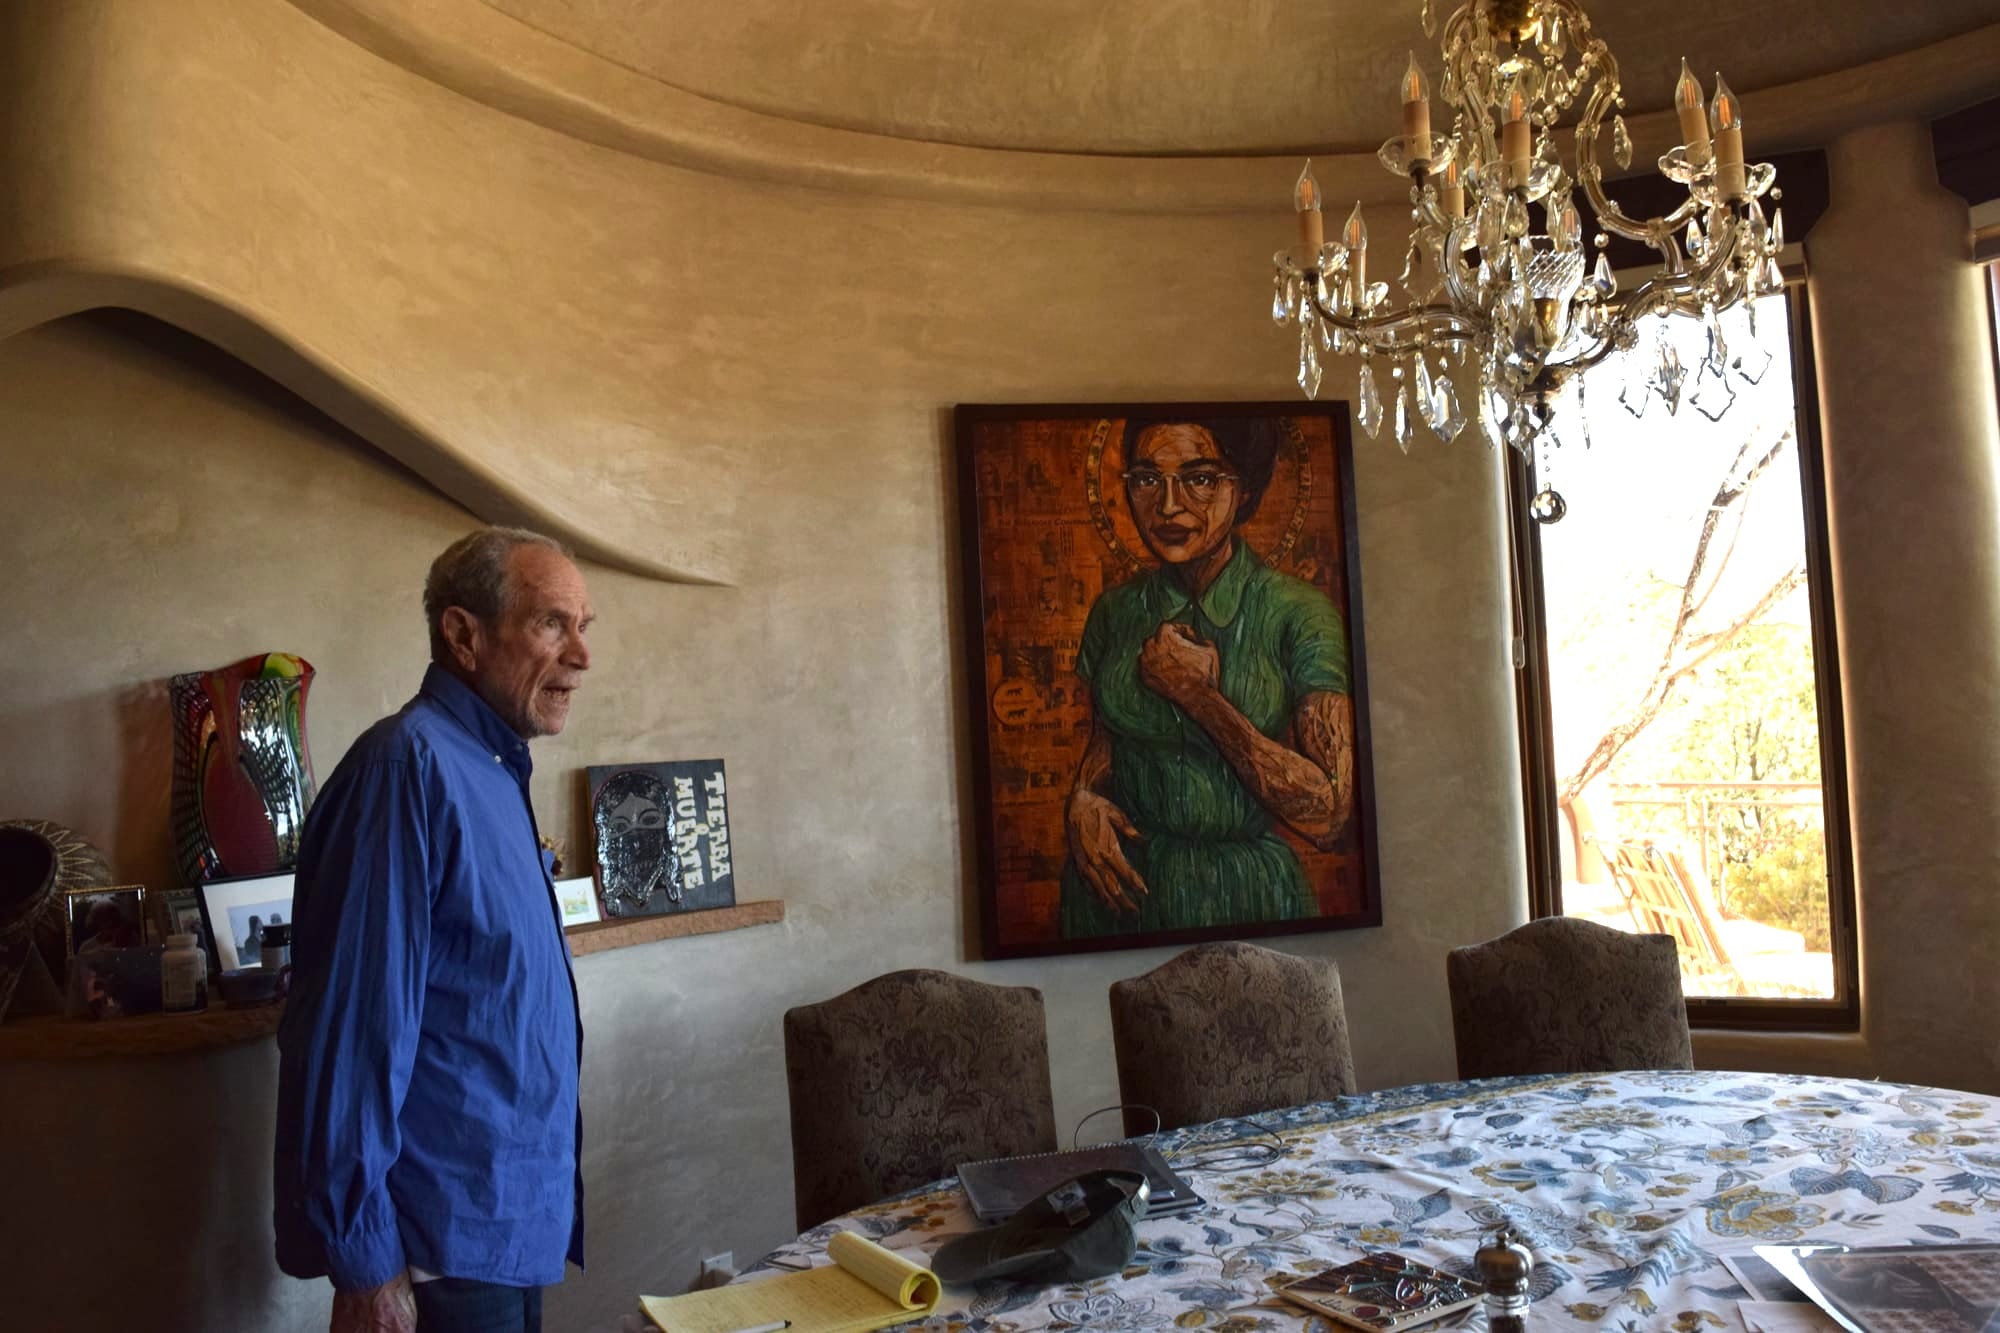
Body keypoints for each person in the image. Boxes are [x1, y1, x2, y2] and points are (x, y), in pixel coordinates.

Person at [275, 527, 594, 1333]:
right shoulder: (405, 768)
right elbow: (352, 1035)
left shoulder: (492, 769)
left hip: (509, 1228)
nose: (581, 655)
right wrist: (367, 1265)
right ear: (463, 634)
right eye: (552, 624)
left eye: (584, 627)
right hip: (435, 1255)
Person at [1060, 416, 1356, 939]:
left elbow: (1329, 815)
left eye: (1199, 478)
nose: (1168, 506)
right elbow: (1108, 745)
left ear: (1246, 490)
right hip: (1116, 891)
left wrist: (1200, 699)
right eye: (1147, 479)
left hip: (1244, 894)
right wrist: (1082, 798)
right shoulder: (1115, 612)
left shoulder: (1299, 614)